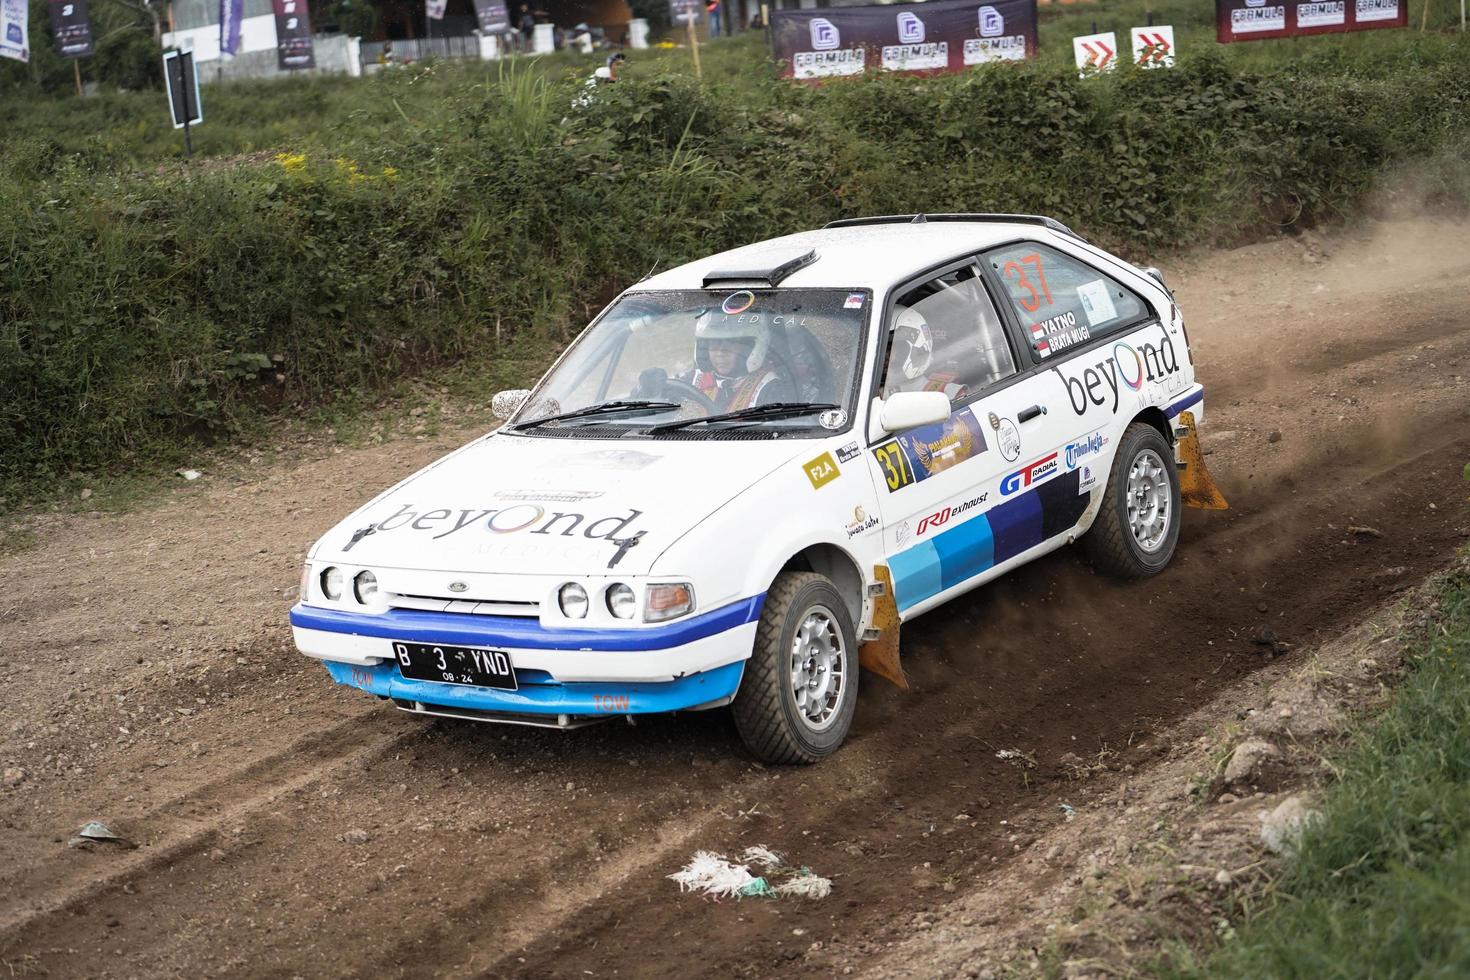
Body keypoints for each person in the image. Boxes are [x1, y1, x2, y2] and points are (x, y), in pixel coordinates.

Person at [685, 311, 793, 410]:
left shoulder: (770, 388)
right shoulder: (692, 381)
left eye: (730, 343)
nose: (720, 353)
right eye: (714, 343)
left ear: (749, 348)